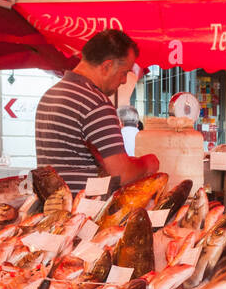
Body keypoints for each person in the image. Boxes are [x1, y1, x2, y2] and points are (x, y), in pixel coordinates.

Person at [34, 29, 159, 193]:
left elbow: (76, 160)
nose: (123, 80)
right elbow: (122, 174)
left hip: (56, 207)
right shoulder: (94, 102)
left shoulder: (50, 95)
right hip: (86, 211)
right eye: (124, 73)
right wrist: (147, 164)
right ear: (107, 66)